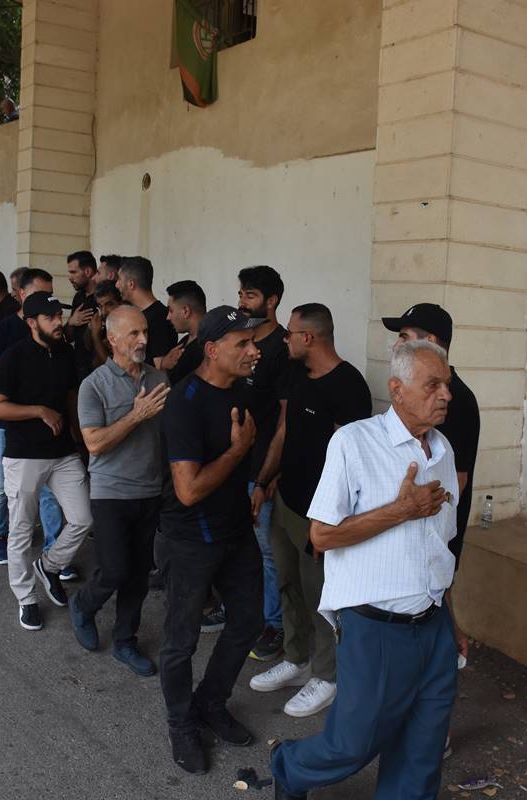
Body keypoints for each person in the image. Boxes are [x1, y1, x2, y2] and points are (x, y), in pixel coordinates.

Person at [270, 338, 464, 800]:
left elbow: (439, 545)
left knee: (422, 751)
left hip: (433, 625)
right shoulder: (354, 443)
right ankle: (289, 767)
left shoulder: (443, 450)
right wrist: (401, 510)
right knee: (351, 745)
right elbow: (321, 536)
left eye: (447, 384)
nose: (446, 395)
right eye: (433, 385)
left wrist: (452, 621)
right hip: (375, 628)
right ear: (397, 390)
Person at [249, 303, 372, 718]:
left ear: (309, 337)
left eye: (290, 333)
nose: (284, 339)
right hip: (286, 501)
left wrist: (330, 521)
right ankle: (297, 659)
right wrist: (264, 481)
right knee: (288, 584)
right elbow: (286, 430)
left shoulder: (349, 386)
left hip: (319, 515)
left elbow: (349, 464)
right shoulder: (297, 374)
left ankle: (327, 676)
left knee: (322, 596)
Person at [158, 305, 264, 775]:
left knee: (248, 621)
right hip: (191, 539)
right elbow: (188, 490)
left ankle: (210, 701)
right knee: (180, 642)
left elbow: (251, 451)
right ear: (212, 349)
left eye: (253, 341)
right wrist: (237, 452)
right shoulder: (185, 401)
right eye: (243, 343)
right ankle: (181, 723)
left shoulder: (243, 390)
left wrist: (257, 481)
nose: (254, 350)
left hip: (236, 530)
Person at [70, 305, 170, 674]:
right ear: (112, 339)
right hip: (111, 492)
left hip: (150, 490)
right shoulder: (93, 385)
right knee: (113, 570)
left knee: (138, 574)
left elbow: (169, 432)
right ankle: (83, 604)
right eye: (134, 334)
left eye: (145, 331)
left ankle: (125, 641)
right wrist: (136, 415)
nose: (143, 339)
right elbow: (94, 443)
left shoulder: (158, 377)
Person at [0, 293, 91, 630]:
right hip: (24, 455)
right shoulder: (14, 356)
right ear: (32, 323)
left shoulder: (65, 352)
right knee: (20, 530)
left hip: (63, 452)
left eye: (59, 316)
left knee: (83, 518)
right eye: (51, 318)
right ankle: (26, 597)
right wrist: (39, 411)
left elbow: (71, 397)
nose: (59, 322)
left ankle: (48, 566)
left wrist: (80, 439)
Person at [383, 304, 482, 563]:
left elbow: (455, 481)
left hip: (431, 543)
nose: (396, 346)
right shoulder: (412, 392)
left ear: (429, 342)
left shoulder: (457, 401)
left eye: (404, 337)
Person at [0, 269, 66, 567]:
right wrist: (20, 364)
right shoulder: (5, 331)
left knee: (49, 492)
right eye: (39, 294)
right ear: (22, 295)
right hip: (8, 424)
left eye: (50, 295)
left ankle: (55, 552)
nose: (47, 301)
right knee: (1, 486)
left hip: (46, 428)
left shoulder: (56, 334)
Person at [236, 265, 289, 661]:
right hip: (233, 462)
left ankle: (275, 624)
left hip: (261, 469)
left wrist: (268, 474)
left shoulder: (283, 350)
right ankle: (244, 613)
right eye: (241, 293)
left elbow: (286, 421)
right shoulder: (241, 339)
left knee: (268, 551)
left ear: (272, 301)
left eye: (250, 295)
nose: (242, 301)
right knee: (241, 546)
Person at [116, 256, 177, 367]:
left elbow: (160, 368)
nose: (117, 285)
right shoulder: (138, 314)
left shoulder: (159, 318)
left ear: (131, 284)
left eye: (119, 279)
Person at [160, 280, 206, 385]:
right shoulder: (184, 342)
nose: (168, 317)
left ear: (185, 311)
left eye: (171, 311)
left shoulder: (206, 348)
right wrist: (164, 366)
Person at [64, 250, 100, 379]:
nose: (70, 277)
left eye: (73, 272)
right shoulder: (78, 297)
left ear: (88, 272)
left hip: (99, 368)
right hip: (79, 367)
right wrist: (71, 322)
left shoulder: (104, 298)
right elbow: (69, 337)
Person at [88, 282, 123, 368]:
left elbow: (113, 368)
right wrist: (90, 328)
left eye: (109, 305)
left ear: (121, 303)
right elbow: (94, 359)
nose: (104, 312)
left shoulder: (128, 326)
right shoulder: (105, 323)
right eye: (100, 306)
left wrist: (96, 336)